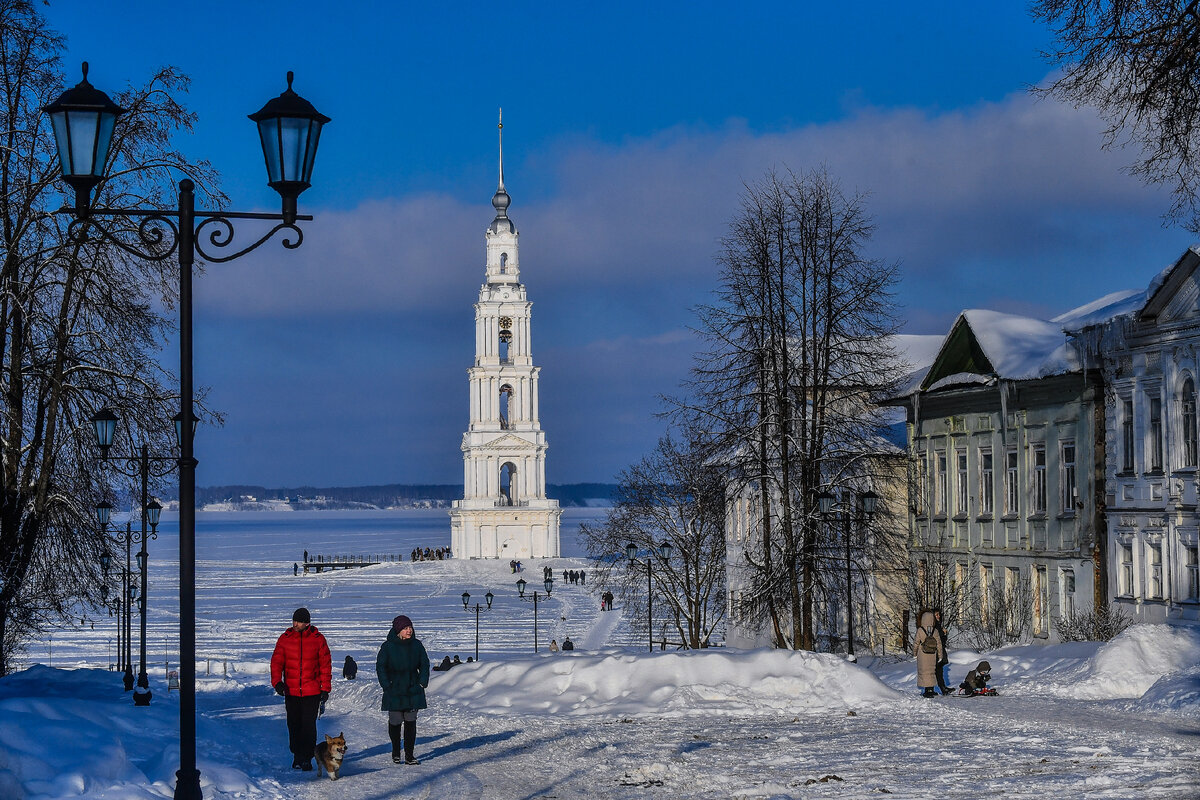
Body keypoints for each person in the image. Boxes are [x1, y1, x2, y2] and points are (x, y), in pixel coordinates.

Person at [270, 607, 332, 770]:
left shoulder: (318, 639)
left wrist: (325, 688)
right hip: (291, 691)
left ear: (307, 623)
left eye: (298, 621)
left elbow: (325, 665)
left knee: (308, 725)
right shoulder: (285, 639)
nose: (295, 624)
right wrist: (277, 682)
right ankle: (297, 755)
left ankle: (306, 757)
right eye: (294, 620)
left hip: (312, 691)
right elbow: (276, 662)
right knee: (293, 724)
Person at [376, 614, 430, 765]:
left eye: (410, 627)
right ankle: (395, 750)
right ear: (398, 630)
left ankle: (409, 755)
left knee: (411, 721)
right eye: (405, 628)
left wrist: (422, 682)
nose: (409, 631)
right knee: (395, 721)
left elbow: (424, 664)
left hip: (413, 689)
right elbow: (381, 667)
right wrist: (387, 684)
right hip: (394, 690)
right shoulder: (387, 647)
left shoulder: (417, 645)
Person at [913, 609, 944, 698]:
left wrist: (914, 654)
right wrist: (940, 655)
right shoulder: (935, 631)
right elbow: (939, 644)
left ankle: (927, 691)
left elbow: (916, 643)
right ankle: (931, 689)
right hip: (932, 653)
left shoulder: (920, 630)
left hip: (922, 654)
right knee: (931, 671)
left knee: (924, 671)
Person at [932, 608, 951, 695]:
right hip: (935, 651)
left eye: (939, 614)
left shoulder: (938, 625)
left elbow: (942, 640)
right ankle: (931, 689)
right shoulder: (933, 626)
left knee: (939, 670)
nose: (938, 616)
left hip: (939, 650)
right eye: (936, 615)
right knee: (934, 670)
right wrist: (944, 634)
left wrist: (944, 634)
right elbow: (938, 640)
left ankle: (943, 688)